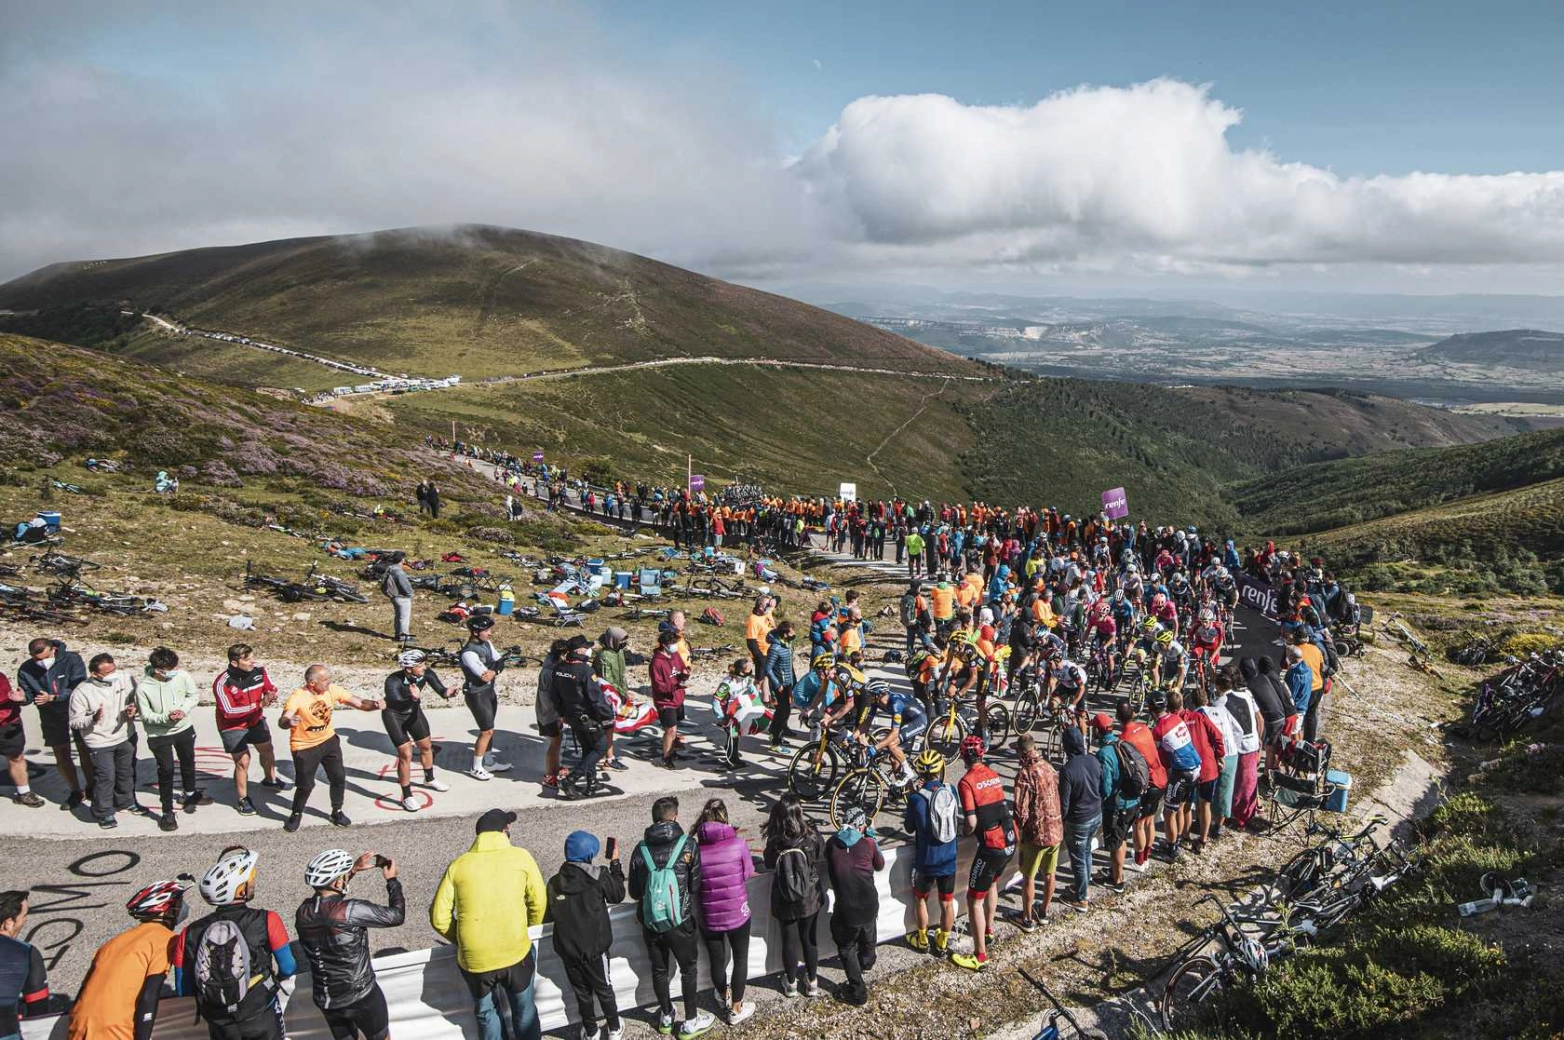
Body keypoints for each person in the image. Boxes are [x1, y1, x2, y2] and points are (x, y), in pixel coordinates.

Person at [430, 809, 548, 1040]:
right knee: (524, 1008)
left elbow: (439, 918)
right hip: (516, 950)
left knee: (486, 1013)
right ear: (504, 831)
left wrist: (462, 939)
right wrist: (527, 928)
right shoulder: (521, 856)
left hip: (475, 958)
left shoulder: (459, 865)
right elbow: (539, 901)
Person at [175, 848, 297, 1040]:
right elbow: (288, 967)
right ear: (239, 889)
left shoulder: (188, 932)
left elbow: (184, 988)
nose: (253, 883)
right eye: (250, 881)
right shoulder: (267, 919)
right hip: (259, 1012)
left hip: (219, 1020)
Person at [295, 850, 404, 1040]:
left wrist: (351, 871)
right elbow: (396, 916)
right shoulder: (350, 910)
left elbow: (328, 900)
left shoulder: (303, 912)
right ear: (338, 882)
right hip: (362, 996)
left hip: (327, 1000)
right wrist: (392, 881)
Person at [628, 796, 711, 1039]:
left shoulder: (640, 849)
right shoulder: (688, 845)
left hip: (652, 922)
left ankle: (666, 1014)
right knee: (689, 969)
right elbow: (695, 885)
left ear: (653, 819)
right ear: (674, 817)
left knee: (659, 969)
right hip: (680, 920)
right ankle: (691, 1019)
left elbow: (634, 892)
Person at [68, 877, 190, 1040]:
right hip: (113, 1029)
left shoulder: (113, 942)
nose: (183, 908)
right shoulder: (165, 939)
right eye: (179, 903)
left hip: (78, 1025)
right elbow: (149, 995)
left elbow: (85, 990)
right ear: (165, 909)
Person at [279, 665, 383, 833]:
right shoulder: (297, 697)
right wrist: (288, 722)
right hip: (304, 747)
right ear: (312, 683)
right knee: (305, 786)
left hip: (329, 741)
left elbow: (360, 703)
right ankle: (296, 813)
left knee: (339, 778)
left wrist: (376, 704)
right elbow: (283, 719)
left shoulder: (332, 690)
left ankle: (337, 811)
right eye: (325, 680)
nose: (329, 682)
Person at [545, 832, 626, 1040]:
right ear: (589, 854)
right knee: (604, 989)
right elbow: (618, 894)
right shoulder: (599, 876)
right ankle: (615, 1027)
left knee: (582, 994)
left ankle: (591, 1031)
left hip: (568, 951)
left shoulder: (554, 883)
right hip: (595, 950)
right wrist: (615, 863)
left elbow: (549, 915)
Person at [952, 736, 1015, 971]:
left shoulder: (966, 782)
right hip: (1009, 839)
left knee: (973, 899)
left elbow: (971, 820)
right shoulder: (993, 774)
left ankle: (980, 956)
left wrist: (965, 832)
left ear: (963, 756)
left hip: (992, 846)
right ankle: (988, 929)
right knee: (991, 885)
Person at [692, 800, 756, 1025]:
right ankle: (736, 1008)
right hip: (737, 911)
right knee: (740, 959)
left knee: (716, 960)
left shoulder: (696, 850)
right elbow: (748, 873)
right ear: (725, 819)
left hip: (709, 914)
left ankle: (722, 995)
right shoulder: (738, 844)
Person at [136, 647, 211, 832]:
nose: (174, 672)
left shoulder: (182, 676)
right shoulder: (144, 688)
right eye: (170, 669)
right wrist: (166, 718)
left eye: (175, 667)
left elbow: (192, 695)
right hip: (159, 734)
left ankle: (190, 794)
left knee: (188, 761)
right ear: (157, 669)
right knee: (167, 770)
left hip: (183, 728)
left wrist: (183, 710)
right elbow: (146, 716)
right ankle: (167, 811)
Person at [761, 794, 825, 998]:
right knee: (809, 939)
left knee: (788, 940)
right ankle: (812, 980)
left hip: (784, 895)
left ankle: (790, 983)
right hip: (809, 895)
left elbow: (769, 863)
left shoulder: (776, 840)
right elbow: (819, 854)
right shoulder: (810, 835)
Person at [213, 644, 288, 817]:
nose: (252, 661)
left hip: (255, 720)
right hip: (232, 726)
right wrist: (259, 705)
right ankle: (243, 799)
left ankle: (270, 780)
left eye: (252, 657)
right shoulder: (222, 682)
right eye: (247, 659)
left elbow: (269, 687)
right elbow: (228, 712)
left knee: (267, 748)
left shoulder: (259, 671)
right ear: (234, 663)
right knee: (243, 761)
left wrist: (271, 693)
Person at [68, 653, 140, 829]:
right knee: (106, 777)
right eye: (107, 672)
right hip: (99, 741)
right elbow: (74, 722)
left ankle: (126, 801)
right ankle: (104, 812)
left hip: (125, 735)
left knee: (126, 772)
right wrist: (92, 719)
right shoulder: (81, 692)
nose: (112, 674)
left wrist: (133, 709)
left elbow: (135, 699)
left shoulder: (125, 678)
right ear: (94, 674)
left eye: (113, 669)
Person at [18, 637, 91, 810]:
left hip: (76, 709)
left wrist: (56, 697)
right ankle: (75, 791)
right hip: (51, 714)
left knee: (85, 749)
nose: (40, 663)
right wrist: (23, 699)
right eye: (36, 659)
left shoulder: (72, 659)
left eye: (44, 658)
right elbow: (27, 693)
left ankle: (92, 787)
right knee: (61, 752)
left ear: (53, 650)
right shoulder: (26, 669)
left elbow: (79, 685)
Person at [824, 805, 883, 1004]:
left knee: (846, 945)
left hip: (846, 907)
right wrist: (872, 837)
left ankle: (857, 983)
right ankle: (863, 974)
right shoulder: (868, 843)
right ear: (861, 827)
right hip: (869, 903)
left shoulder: (832, 843)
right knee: (867, 929)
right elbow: (880, 865)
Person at [382, 650, 453, 811]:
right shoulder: (393, 680)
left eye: (424, 664)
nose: (424, 667)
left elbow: (441, 690)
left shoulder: (425, 673)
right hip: (394, 715)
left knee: (426, 746)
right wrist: (412, 697)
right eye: (420, 665)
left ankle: (429, 779)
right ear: (408, 668)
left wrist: (447, 692)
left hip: (413, 712)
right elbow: (396, 701)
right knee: (405, 754)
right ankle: (407, 795)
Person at [903, 747, 959, 952]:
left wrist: (911, 795)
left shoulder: (916, 798)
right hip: (949, 858)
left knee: (920, 899)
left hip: (926, 860)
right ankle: (942, 942)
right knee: (947, 902)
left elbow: (909, 828)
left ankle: (922, 939)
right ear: (939, 769)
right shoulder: (951, 791)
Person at [1010, 733, 1063, 929]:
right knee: (1050, 873)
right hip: (1055, 830)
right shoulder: (1048, 767)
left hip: (1036, 834)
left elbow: (1020, 810)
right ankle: (1044, 912)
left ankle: (1026, 918)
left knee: (1029, 877)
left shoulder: (1025, 774)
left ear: (1021, 752)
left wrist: (1019, 832)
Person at [553, 636, 615, 797]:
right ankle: (571, 779)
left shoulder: (559, 668)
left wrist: (562, 714)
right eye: (586, 647)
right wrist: (608, 715)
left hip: (571, 716)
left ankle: (592, 783)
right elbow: (596, 698)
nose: (589, 650)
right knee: (600, 748)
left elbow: (555, 696)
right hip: (588, 717)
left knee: (588, 750)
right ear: (579, 651)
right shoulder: (585, 671)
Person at [1090, 713, 1142, 895]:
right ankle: (1116, 874)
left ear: (1098, 730)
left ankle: (1117, 880)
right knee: (1122, 839)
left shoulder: (1104, 753)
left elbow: (1106, 787)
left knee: (1115, 843)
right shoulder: (1122, 743)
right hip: (1133, 801)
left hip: (1118, 806)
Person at [1151, 690, 1203, 861]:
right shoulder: (1176, 718)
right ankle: (1177, 839)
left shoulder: (1158, 729)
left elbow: (1154, 754)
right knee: (1179, 807)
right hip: (1195, 767)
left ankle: (1172, 850)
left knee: (1169, 812)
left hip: (1183, 772)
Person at [459, 615, 512, 780]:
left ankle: (488, 760)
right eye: (486, 630)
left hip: (488, 692)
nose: (490, 634)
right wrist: (495, 669)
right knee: (486, 731)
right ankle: (476, 767)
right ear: (476, 632)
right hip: (476, 694)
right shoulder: (469, 653)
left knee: (490, 728)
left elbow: (500, 661)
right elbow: (484, 676)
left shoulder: (487, 644)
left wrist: (495, 669)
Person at [1056, 727, 1102, 911]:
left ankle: (1082, 898)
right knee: (1086, 853)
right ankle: (1083, 886)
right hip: (1095, 814)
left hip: (1079, 820)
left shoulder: (1067, 770)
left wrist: (1062, 822)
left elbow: (1064, 803)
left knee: (1078, 860)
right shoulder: (1093, 759)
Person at [1117, 698, 1167, 868]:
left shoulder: (1123, 739)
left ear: (1118, 717)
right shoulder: (1145, 727)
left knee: (1139, 824)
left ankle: (1139, 861)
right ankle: (1145, 856)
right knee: (1150, 820)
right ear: (1133, 713)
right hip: (1160, 777)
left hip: (1149, 783)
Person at [1179, 688, 1227, 853]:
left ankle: (1185, 837)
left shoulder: (1181, 719)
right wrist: (1220, 756)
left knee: (1186, 805)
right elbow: (1218, 737)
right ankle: (1202, 840)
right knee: (1205, 805)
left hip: (1189, 767)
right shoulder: (1201, 717)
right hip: (1207, 767)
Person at [1220, 665, 1265, 831]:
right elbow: (1260, 719)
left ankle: (1241, 818)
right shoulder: (1247, 695)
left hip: (1238, 747)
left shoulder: (1222, 701)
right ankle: (1247, 812)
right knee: (1248, 781)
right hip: (1251, 744)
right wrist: (1259, 739)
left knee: (1241, 784)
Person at [1197, 679, 1243, 840]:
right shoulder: (1224, 711)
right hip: (1231, 754)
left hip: (1215, 755)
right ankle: (1219, 825)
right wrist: (1233, 747)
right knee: (1225, 791)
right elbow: (1239, 730)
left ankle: (1204, 822)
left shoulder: (1201, 714)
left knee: (1207, 792)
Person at [0, 891, 48, 1040]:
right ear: (8, 923)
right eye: (24, 916)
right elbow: (39, 1010)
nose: (25, 921)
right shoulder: (26, 953)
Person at [711, 659, 768, 770]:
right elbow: (716, 700)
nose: (749, 673)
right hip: (726, 711)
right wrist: (720, 717)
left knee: (735, 734)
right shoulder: (727, 683)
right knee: (733, 734)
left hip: (738, 708)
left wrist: (756, 703)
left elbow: (753, 691)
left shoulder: (746, 679)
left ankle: (733, 755)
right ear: (741, 671)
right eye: (748, 670)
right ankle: (731, 760)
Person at [591, 629, 633, 772]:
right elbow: (606, 681)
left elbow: (622, 675)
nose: (623, 644)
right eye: (621, 641)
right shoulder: (604, 656)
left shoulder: (618, 652)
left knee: (609, 727)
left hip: (618, 693)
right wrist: (622, 693)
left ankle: (605, 755)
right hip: (606, 695)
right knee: (608, 727)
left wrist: (625, 691)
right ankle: (609, 758)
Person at [649, 630, 690, 770]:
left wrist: (685, 674)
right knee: (670, 730)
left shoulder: (675, 655)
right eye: (673, 643)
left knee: (675, 727)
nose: (675, 646)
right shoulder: (656, 663)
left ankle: (672, 752)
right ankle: (666, 757)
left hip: (677, 697)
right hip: (665, 701)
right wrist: (676, 685)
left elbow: (682, 668)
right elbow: (659, 686)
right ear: (664, 644)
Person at [1, 673, 42, 808]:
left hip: (7, 724)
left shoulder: (1, 678)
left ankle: (23, 793)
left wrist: (21, 698)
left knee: (16, 758)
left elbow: (9, 702)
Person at [537, 638, 567, 789]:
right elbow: (550, 698)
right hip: (550, 714)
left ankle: (555, 767)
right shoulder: (551, 672)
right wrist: (558, 715)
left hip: (548, 713)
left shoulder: (549, 665)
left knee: (557, 740)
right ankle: (549, 774)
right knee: (554, 743)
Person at [764, 621, 799, 750]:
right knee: (782, 712)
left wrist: (793, 682)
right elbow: (768, 669)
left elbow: (789, 666)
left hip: (788, 683)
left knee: (785, 711)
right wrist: (777, 684)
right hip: (779, 685)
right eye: (791, 632)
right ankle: (775, 742)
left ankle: (775, 733)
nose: (794, 634)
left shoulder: (788, 645)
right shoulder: (775, 648)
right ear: (784, 634)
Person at [744, 596, 775, 701]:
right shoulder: (753, 620)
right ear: (760, 606)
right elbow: (751, 642)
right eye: (767, 604)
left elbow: (777, 599)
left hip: (771, 651)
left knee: (766, 676)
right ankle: (752, 700)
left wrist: (773, 601)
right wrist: (760, 657)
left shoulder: (767, 612)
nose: (769, 606)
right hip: (761, 653)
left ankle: (765, 699)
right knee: (759, 679)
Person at [381, 552, 415, 645]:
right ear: (402, 560)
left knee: (399, 617)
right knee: (404, 618)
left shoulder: (390, 568)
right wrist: (411, 593)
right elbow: (405, 585)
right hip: (402, 597)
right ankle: (403, 637)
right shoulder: (399, 572)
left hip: (393, 596)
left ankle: (398, 634)